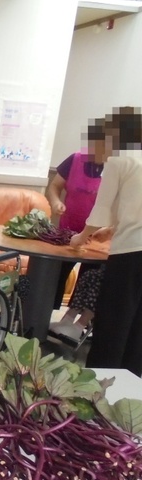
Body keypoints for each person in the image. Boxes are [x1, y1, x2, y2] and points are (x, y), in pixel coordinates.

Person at [71, 107, 142, 375]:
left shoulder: (119, 161)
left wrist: (81, 237)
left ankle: (99, 384)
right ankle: (132, 385)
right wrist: (110, 230)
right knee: (138, 327)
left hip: (130, 254)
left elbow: (101, 209)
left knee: (114, 320)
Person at [46, 120, 110, 339]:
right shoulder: (75, 159)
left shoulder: (115, 168)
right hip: (67, 233)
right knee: (57, 274)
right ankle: (49, 318)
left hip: (96, 238)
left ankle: (73, 323)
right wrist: (55, 202)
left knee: (88, 277)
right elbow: (54, 186)